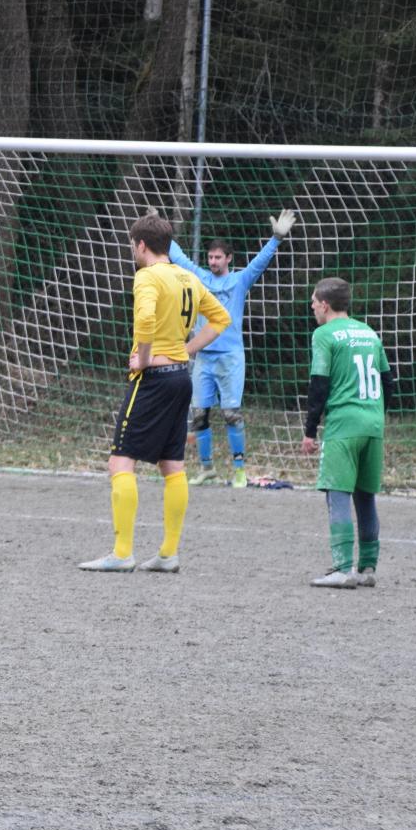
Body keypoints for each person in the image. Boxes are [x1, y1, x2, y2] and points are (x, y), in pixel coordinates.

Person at [79, 213, 232, 574]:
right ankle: (168, 553)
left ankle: (122, 552)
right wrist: (188, 348)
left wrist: (142, 360)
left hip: (155, 378)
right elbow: (221, 318)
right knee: (172, 465)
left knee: (120, 460)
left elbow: (145, 321)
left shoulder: (147, 277)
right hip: (181, 377)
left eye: (133, 246)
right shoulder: (188, 277)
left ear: (141, 245)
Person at [168, 209, 296, 488]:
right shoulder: (198, 277)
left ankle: (239, 470)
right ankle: (207, 469)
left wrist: (276, 239)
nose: (213, 261)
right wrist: (159, 231)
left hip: (230, 357)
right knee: (200, 414)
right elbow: (176, 256)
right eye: (210, 257)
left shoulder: (239, 281)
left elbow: (259, 264)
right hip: (203, 358)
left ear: (228, 259)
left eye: (218, 257)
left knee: (231, 413)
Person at [300, 277, 391, 589]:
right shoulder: (368, 332)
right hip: (373, 423)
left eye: (313, 301)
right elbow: (387, 382)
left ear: (325, 304)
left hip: (344, 425)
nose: (311, 306)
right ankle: (367, 567)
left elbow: (319, 385)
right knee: (365, 496)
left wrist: (310, 431)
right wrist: (377, 415)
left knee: (337, 493)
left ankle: (342, 568)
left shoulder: (324, 335)